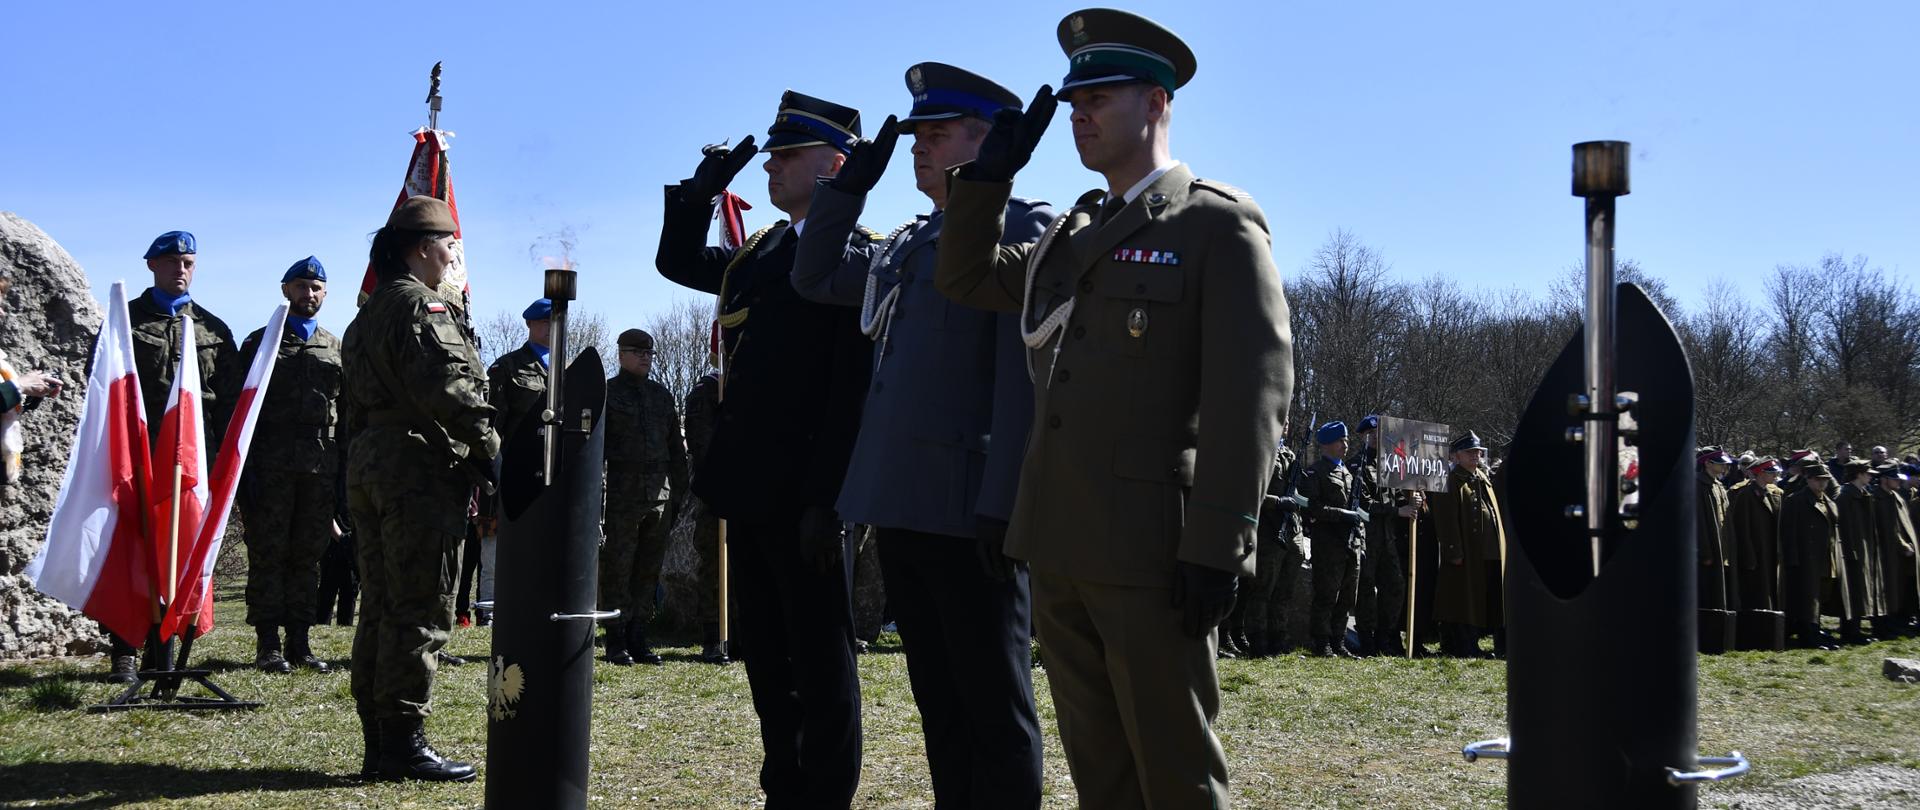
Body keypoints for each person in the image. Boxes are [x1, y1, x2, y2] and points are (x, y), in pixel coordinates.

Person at [934, 10, 1292, 806]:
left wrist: (1221, 542)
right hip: (1060, 541)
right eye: (1072, 101)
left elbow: (1253, 395)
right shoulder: (1071, 233)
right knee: (1102, 777)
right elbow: (964, 279)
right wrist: (986, 179)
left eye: (1099, 95)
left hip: (1152, 556)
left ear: (1158, 103)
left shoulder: (1214, 225)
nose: (1079, 115)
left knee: (1176, 775)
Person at [787, 61, 1052, 808]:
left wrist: (1004, 502)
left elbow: (1017, 379)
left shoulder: (1023, 226)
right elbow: (814, 278)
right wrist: (844, 192)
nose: (917, 148)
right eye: (916, 136)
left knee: (994, 709)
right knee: (939, 704)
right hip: (902, 500)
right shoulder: (911, 240)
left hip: (971, 508)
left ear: (989, 139)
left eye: (937, 135)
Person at [655, 90, 877, 808]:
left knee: (821, 663)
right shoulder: (760, 252)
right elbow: (677, 261)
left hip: (810, 492)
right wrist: (697, 195)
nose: (772, 168)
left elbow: (851, 389)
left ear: (835, 165)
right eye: (772, 156)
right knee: (767, 660)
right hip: (749, 487)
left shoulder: (855, 253)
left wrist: (828, 497)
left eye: (788, 156)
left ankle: (825, 796)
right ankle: (784, 785)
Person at [340, 196, 497, 782]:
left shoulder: (367, 313)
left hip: (371, 464)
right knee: (420, 606)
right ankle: (403, 742)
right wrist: (495, 455)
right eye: (450, 243)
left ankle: (379, 742)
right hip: (417, 470)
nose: (455, 254)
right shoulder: (424, 306)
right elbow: (450, 389)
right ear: (423, 248)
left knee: (379, 606)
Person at [102, 230, 240, 683]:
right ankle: (124, 648)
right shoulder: (124, 322)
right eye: (173, 261)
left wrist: (223, 465)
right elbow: (103, 387)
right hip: (140, 458)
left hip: (191, 465)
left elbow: (227, 403)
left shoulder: (213, 330)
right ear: (152, 266)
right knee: (133, 553)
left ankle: (164, 651)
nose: (181, 270)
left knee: (180, 554)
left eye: (189, 262)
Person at [235, 256, 342, 674]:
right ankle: (267, 644)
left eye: (316, 288)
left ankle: (301, 642)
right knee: (268, 553)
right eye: (300, 286)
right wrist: (246, 475)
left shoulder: (336, 348)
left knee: (307, 556)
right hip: (270, 467)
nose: (308, 294)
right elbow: (239, 410)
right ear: (285, 290)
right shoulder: (259, 344)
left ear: (325, 293)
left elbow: (346, 411)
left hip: (319, 470)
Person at [598, 328, 691, 666]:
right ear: (621, 354)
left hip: (660, 496)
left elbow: (675, 452)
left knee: (648, 571)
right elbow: (598, 451)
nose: (645, 357)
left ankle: (639, 635)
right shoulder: (608, 394)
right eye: (637, 352)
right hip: (623, 495)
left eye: (648, 352)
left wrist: (679, 494)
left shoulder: (661, 396)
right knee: (618, 570)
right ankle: (615, 640)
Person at [1431, 431, 1505, 658]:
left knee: (1484, 598)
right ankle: (1464, 645)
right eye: (1470, 452)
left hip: (1489, 552)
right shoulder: (1451, 481)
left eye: (1478, 452)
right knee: (1463, 601)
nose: (1476, 456)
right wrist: (1453, 550)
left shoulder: (1482, 477)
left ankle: (1484, 642)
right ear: (1456, 456)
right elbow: (1446, 519)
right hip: (1467, 553)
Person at [1351, 415, 1415, 657]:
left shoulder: (1389, 464)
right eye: (1372, 434)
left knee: (1395, 586)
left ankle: (1386, 636)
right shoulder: (1356, 466)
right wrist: (1397, 510)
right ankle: (1367, 638)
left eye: (1379, 434)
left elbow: (1396, 496)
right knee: (1366, 589)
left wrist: (1411, 501)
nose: (1377, 439)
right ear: (1364, 436)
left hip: (1388, 538)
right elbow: (1363, 504)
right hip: (1367, 537)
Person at [1301, 421, 1365, 658]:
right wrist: (1341, 515)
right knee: (1327, 595)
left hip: (1351, 544)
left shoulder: (1348, 472)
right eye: (1341, 441)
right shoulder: (1316, 472)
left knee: (1348, 596)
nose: (1345, 445)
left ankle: (1338, 641)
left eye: (1346, 441)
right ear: (1327, 444)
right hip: (1328, 544)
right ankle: (1322, 643)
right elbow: (1312, 508)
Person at [681, 364, 729, 664]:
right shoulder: (707, 391)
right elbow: (702, 445)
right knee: (714, 565)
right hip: (718, 493)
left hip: (752, 494)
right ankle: (714, 636)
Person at [1244, 436, 1307, 657]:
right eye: (1285, 418)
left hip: (1291, 529)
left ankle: (1278, 639)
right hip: (1268, 530)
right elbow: (1249, 492)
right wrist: (1277, 502)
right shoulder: (1260, 450)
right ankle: (1258, 643)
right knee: (1262, 589)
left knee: (1285, 590)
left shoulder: (1289, 454)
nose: (1287, 423)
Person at [1780, 463, 1842, 650]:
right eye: (1817, 479)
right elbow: (1789, 533)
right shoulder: (1796, 501)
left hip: (1825, 558)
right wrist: (1793, 560)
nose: (1821, 483)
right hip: (1806, 559)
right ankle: (1809, 637)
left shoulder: (1828, 502)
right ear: (1808, 480)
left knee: (1820, 596)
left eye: (1824, 480)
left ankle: (1815, 631)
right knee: (1807, 600)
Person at [1834, 458, 1885, 644]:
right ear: (1859, 474)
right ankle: (1850, 632)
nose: (1870, 477)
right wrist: (1851, 550)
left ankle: (1855, 630)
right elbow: (1843, 527)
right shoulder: (1845, 496)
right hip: (1851, 551)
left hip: (1863, 549)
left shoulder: (1863, 494)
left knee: (1861, 591)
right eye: (1867, 473)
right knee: (1852, 592)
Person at [1728, 457, 1784, 613]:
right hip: (1757, 552)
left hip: (1771, 550)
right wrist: (1748, 555)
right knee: (1757, 592)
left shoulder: (1773, 493)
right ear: (1760, 473)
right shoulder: (1746, 495)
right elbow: (1742, 528)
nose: (1775, 476)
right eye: (1771, 472)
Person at [1871, 464, 1917, 636]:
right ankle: (1883, 626)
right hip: (1884, 552)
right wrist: (1902, 544)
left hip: (1897, 553)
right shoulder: (1877, 499)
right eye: (1894, 478)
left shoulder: (1895, 496)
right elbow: (1889, 529)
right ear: (1884, 479)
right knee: (1884, 589)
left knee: (1896, 588)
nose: (1898, 481)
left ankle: (1894, 621)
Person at [1697, 447, 1738, 626]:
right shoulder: (1697, 485)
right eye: (1719, 462)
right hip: (1708, 548)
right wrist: (1704, 552)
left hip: (1721, 546)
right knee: (1705, 590)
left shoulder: (1718, 485)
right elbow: (1698, 522)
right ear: (1707, 463)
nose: (1724, 466)